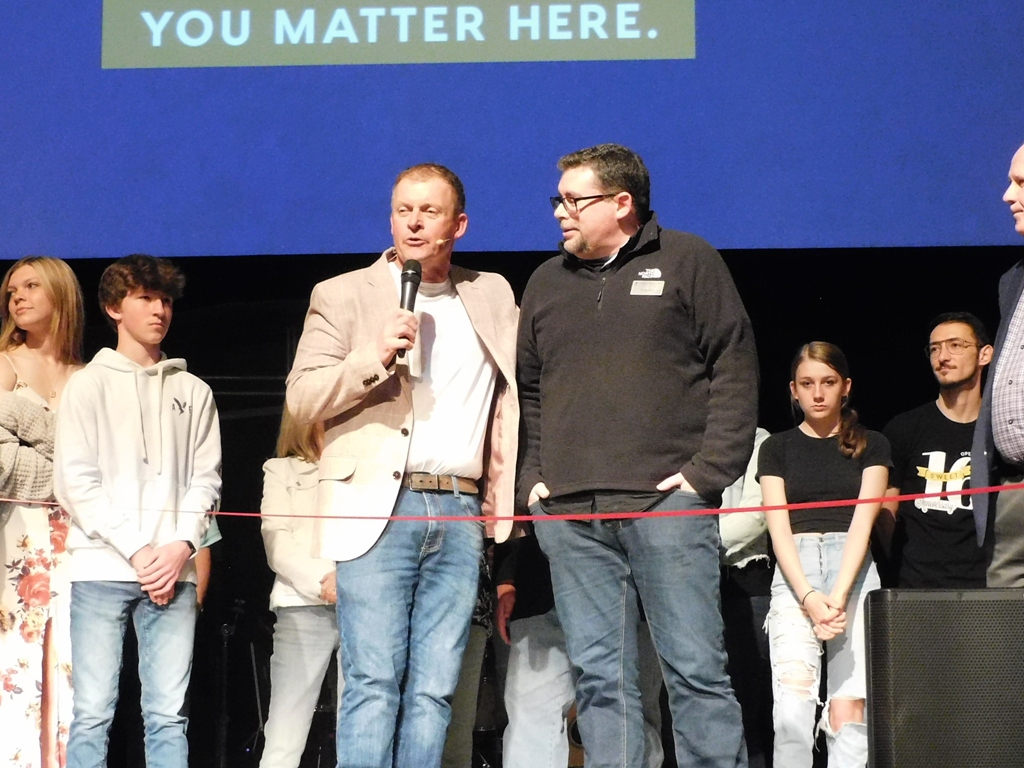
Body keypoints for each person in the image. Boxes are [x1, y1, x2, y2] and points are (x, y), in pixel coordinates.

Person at [517, 143, 756, 768]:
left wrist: (707, 474)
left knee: (695, 674)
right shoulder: (545, 282)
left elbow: (733, 364)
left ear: (622, 203)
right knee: (600, 682)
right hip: (570, 514)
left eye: (574, 200)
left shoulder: (687, 259)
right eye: (558, 200)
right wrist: (532, 478)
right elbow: (530, 389)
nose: (560, 212)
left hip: (665, 506)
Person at [285, 163, 519, 768]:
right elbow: (302, 399)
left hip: (461, 508)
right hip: (377, 508)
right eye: (402, 210)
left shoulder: (492, 294)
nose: (413, 223)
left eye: (429, 211)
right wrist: (373, 355)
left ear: (458, 225)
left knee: (436, 689)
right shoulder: (342, 294)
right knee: (372, 681)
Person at [54, 255, 222, 768]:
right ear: (113, 308)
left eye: (166, 300)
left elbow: (207, 480)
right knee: (92, 713)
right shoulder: (87, 384)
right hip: (102, 568)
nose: (159, 310)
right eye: (145, 298)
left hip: (174, 572)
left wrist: (179, 548)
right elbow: (76, 482)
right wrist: (139, 550)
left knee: (168, 715)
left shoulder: (194, 391)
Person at [757, 342, 890, 768]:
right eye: (807, 383)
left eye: (828, 382)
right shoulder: (775, 448)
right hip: (794, 572)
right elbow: (778, 528)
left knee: (850, 707)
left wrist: (839, 594)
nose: (817, 393)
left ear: (845, 387)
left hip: (854, 570)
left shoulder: (873, 444)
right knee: (792, 707)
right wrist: (810, 596)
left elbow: (863, 524)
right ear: (793, 390)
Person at [0, 255, 84, 768]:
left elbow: (105, 461)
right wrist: (69, 472)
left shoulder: (91, 375)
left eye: (31, 286)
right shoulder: (4, 364)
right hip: (16, 534)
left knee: (70, 667)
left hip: (80, 537)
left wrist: (26, 429)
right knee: (17, 662)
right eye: (12, 291)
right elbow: (1, 462)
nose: (18, 297)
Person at [494, 529, 664, 768]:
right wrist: (506, 578)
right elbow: (509, 506)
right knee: (531, 716)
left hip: (632, 576)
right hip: (540, 577)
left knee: (633, 712)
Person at [881, 313, 992, 588]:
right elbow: (885, 514)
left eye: (955, 345)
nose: (942, 357)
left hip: (988, 588)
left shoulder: (1000, 431)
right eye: (934, 349)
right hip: (916, 588)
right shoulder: (904, 428)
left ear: (984, 354)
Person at [259, 407, 339, 768]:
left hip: (363, 604)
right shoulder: (281, 470)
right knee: (285, 735)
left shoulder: (372, 474)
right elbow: (277, 542)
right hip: (301, 604)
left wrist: (350, 581)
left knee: (361, 728)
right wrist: (324, 581)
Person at [972, 141, 1024, 587]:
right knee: (1006, 608)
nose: (1008, 195)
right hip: (1012, 486)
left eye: (1021, 183)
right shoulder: (1014, 280)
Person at [719, 428, 774, 768]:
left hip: (743, 581)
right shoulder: (673, 431)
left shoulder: (756, 438)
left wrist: (691, 545)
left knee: (751, 703)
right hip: (685, 581)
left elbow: (757, 513)